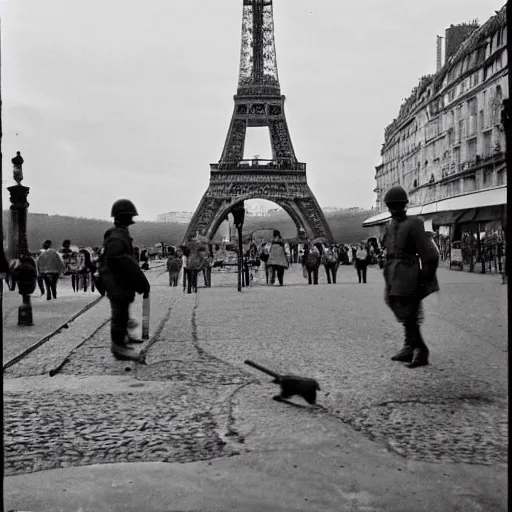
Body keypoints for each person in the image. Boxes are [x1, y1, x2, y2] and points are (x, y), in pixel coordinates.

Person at [381, 185, 439, 369]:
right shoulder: (391, 225)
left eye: (396, 205)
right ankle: (409, 346)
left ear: (404, 205)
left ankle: (420, 350)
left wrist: (424, 277)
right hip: (393, 275)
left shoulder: (414, 223)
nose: (393, 209)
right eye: (391, 206)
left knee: (409, 312)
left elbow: (430, 255)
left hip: (408, 274)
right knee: (400, 308)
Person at [98, 199, 150, 362]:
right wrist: (140, 280)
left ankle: (124, 337)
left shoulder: (116, 235)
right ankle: (118, 346)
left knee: (123, 311)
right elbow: (124, 262)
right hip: (117, 282)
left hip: (117, 282)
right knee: (119, 314)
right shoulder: (118, 238)